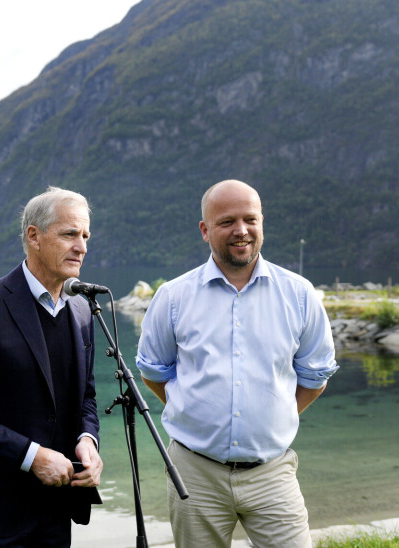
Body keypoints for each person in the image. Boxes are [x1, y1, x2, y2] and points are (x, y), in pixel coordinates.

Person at [135, 179, 338, 547]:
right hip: (194, 474)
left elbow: (315, 375)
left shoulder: (300, 294)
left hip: (272, 472)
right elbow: (154, 371)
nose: (241, 230)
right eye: (227, 221)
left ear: (262, 223)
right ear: (205, 230)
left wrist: (274, 418)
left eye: (250, 219)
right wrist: (194, 411)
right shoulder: (173, 297)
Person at [0, 186, 103, 547]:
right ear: (34, 236)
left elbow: (85, 397)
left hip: (58, 506)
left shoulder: (83, 310)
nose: (82, 246)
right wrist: (32, 457)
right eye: (70, 233)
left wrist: (88, 441)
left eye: (86, 235)